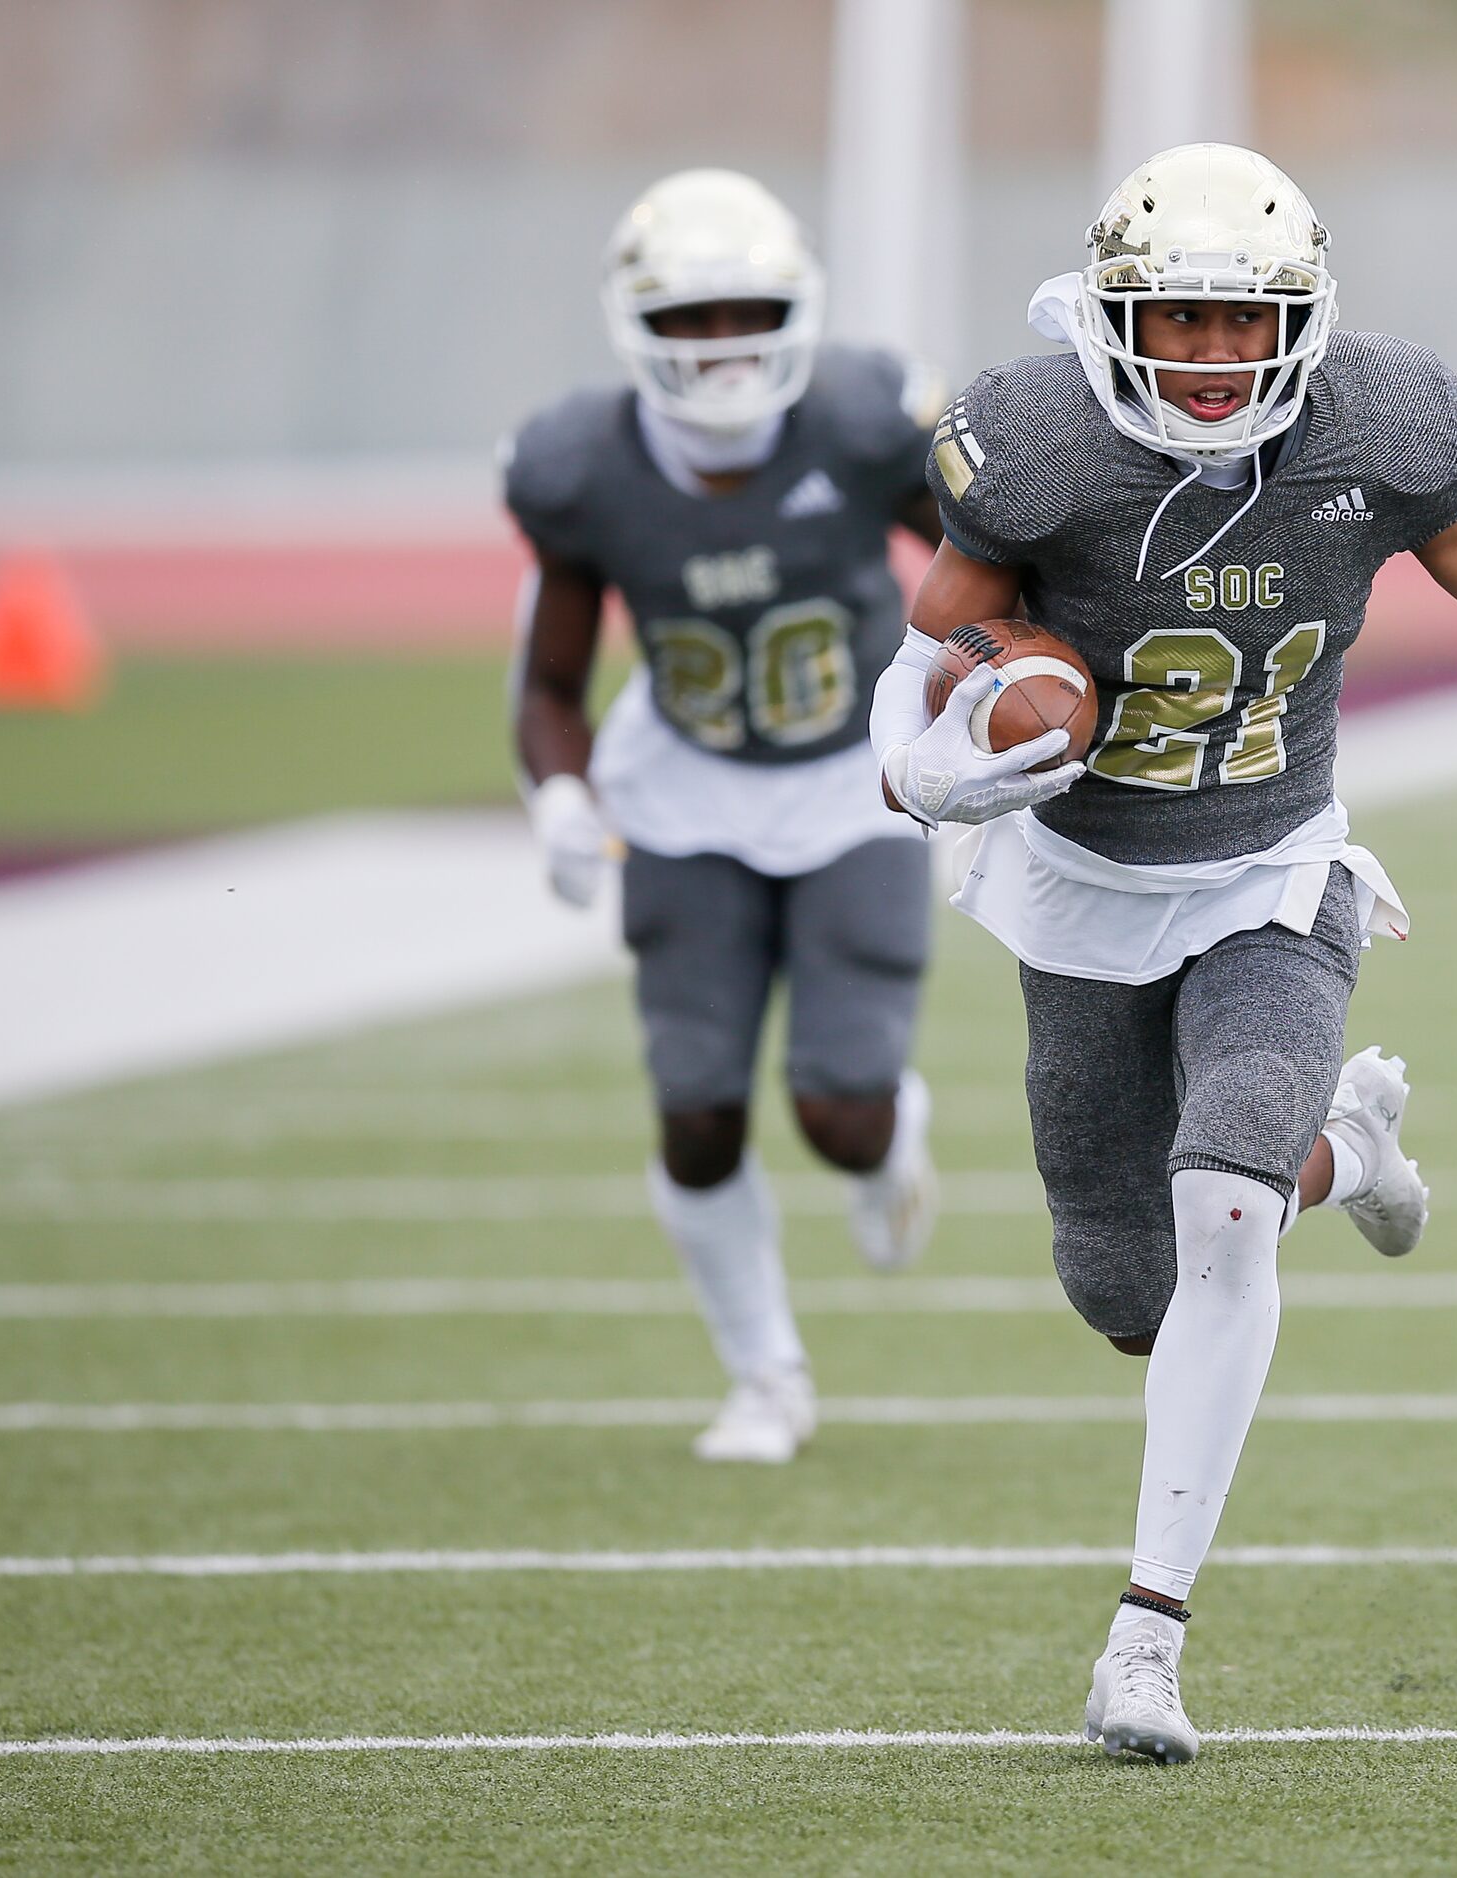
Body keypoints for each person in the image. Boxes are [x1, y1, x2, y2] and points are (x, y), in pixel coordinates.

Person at [873, 143, 1457, 1761]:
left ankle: (1145, 1639)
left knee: (1219, 1199)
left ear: (1300, 318)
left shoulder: (1381, 429)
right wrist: (927, 768)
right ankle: (1348, 1149)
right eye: (1182, 320)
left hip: (1273, 878)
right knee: (1129, 1286)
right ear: (1113, 317)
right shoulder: (1039, 449)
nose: (1216, 358)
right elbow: (928, 648)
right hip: (1080, 888)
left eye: (1245, 320)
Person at [504, 169, 949, 1466]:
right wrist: (560, 793)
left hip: (853, 771)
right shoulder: (580, 467)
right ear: (637, 324)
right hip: (687, 785)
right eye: (689, 317)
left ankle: (888, 1141)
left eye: (743, 310)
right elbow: (548, 676)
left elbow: (985, 574)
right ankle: (766, 1373)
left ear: (797, 307)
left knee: (840, 1106)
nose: (722, 344)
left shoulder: (865, 421)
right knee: (697, 1102)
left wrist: (989, 702)